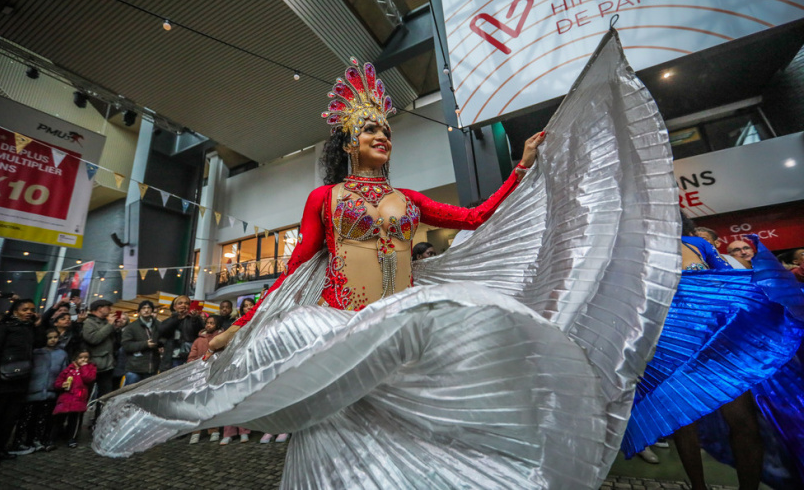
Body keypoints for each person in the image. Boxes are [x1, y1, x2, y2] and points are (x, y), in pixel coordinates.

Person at [93, 44, 684, 488]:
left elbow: (477, 218)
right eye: (371, 129)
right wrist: (232, 331)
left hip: (401, 326)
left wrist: (523, 167)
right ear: (350, 142)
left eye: (385, 129)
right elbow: (294, 271)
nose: (383, 136)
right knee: (340, 433)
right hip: (339, 329)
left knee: (420, 427)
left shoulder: (411, 200)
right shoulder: (325, 199)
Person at [623, 215, 804, 490]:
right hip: (670, 344)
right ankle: (698, 487)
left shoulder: (696, 244)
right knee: (683, 422)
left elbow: (728, 277)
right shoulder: (637, 251)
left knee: (743, 422)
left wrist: (768, 283)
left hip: (716, 344)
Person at [0, 299, 45, 469]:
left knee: (9, 418)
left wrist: (38, 326)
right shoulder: (3, 327)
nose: (29, 312)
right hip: (1, 379)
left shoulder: (29, 328)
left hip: (20, 379)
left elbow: (40, 343)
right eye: (25, 309)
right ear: (15, 311)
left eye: (32, 309)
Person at [11, 328, 68, 454]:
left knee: (43, 418)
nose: (53, 340)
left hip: (50, 390)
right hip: (33, 390)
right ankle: (20, 441)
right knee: (26, 418)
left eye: (55, 337)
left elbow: (63, 372)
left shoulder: (62, 354)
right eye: (50, 337)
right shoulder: (36, 353)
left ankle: (37, 440)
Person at [185, 315, 222, 444]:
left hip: (215, 373)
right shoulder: (198, 340)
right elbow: (192, 356)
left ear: (217, 325)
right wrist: (196, 365)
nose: (209, 325)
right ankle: (196, 431)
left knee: (212, 402)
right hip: (200, 374)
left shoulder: (221, 338)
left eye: (212, 323)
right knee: (199, 402)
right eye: (207, 323)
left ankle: (214, 429)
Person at [51, 350, 97, 448]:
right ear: (75, 358)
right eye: (80, 357)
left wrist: (84, 367)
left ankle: (72, 438)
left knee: (74, 420)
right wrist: (61, 385)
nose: (83, 360)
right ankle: (52, 439)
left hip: (78, 398)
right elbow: (58, 382)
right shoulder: (69, 369)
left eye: (86, 357)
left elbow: (88, 378)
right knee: (59, 419)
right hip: (66, 398)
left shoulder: (90, 368)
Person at [81, 299, 118, 403]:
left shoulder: (106, 322)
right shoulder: (88, 322)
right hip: (94, 365)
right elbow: (93, 339)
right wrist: (109, 326)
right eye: (108, 307)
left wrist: (116, 328)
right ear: (100, 308)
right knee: (87, 395)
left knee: (105, 396)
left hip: (108, 365)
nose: (110, 309)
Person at [121, 301, 161, 386]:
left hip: (152, 367)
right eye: (143, 308)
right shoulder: (131, 327)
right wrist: (145, 344)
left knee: (147, 392)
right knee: (130, 391)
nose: (146, 310)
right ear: (139, 311)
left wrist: (161, 345)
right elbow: (126, 345)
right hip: (134, 368)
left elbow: (164, 338)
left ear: (152, 310)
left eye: (149, 308)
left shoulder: (158, 325)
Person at [159, 295, 203, 371]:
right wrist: (177, 318)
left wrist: (195, 319)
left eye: (186, 303)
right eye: (180, 303)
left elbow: (199, 332)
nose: (183, 305)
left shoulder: (194, 319)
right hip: (170, 357)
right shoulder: (167, 321)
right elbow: (161, 333)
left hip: (187, 356)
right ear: (174, 307)